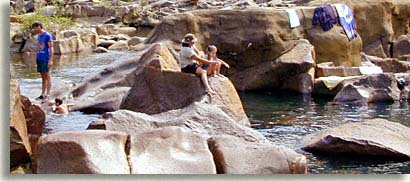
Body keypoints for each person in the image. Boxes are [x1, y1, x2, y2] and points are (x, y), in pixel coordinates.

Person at [32, 21, 54, 101]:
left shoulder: (47, 35)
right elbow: (39, 46)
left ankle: (48, 94)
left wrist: (51, 60)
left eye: (35, 27)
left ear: (39, 26)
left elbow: (51, 47)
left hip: (45, 58)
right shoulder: (39, 36)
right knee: (43, 77)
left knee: (47, 76)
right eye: (34, 28)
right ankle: (42, 94)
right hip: (40, 58)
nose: (35, 29)